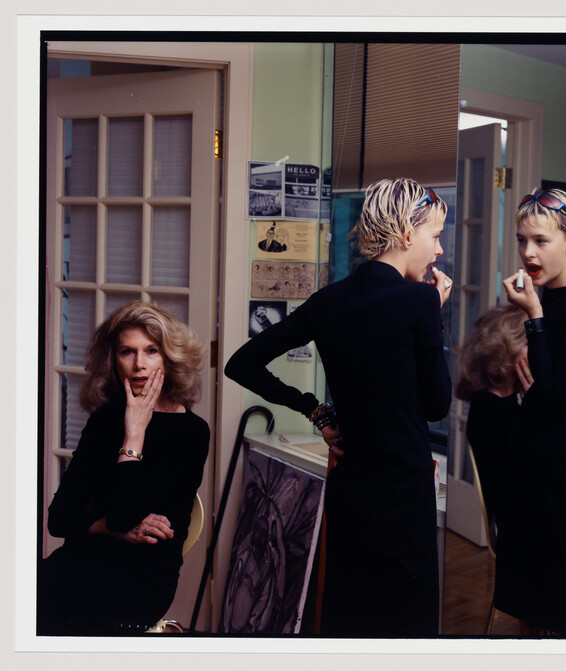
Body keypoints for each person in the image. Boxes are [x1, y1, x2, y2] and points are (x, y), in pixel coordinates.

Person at [225, 177, 453, 637]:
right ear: (408, 234)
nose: (439, 250)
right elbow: (435, 404)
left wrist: (316, 411)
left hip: (351, 488)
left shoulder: (329, 300)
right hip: (404, 489)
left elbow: (242, 363)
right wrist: (434, 320)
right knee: (406, 623)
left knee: (351, 614)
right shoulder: (421, 300)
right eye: (435, 235)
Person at [38, 301, 210, 635]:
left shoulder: (192, 432)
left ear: (169, 358)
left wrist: (134, 433)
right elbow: (59, 520)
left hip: (142, 575)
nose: (139, 365)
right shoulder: (104, 420)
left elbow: (123, 513)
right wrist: (114, 530)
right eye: (127, 352)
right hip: (83, 559)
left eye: (151, 351)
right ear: (113, 360)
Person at [498, 188, 566, 637]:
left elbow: (556, 393)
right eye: (522, 239)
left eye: (540, 241)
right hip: (533, 466)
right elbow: (535, 387)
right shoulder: (541, 300)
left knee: (565, 609)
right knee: (533, 610)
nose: (527, 252)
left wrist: (535, 319)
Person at [454, 305, 531, 534]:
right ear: (507, 351)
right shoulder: (495, 411)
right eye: (529, 343)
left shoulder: (490, 401)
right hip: (517, 525)